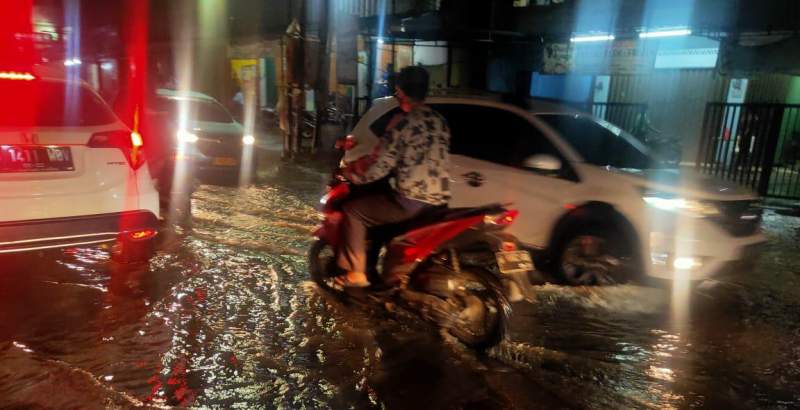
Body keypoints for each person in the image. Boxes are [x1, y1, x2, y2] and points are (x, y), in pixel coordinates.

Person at [334, 66, 451, 288]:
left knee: (354, 211)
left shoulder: (403, 122)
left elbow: (380, 164)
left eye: (397, 91)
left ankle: (357, 274)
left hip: (411, 201)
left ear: (400, 92)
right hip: (439, 201)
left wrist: (352, 174)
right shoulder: (439, 120)